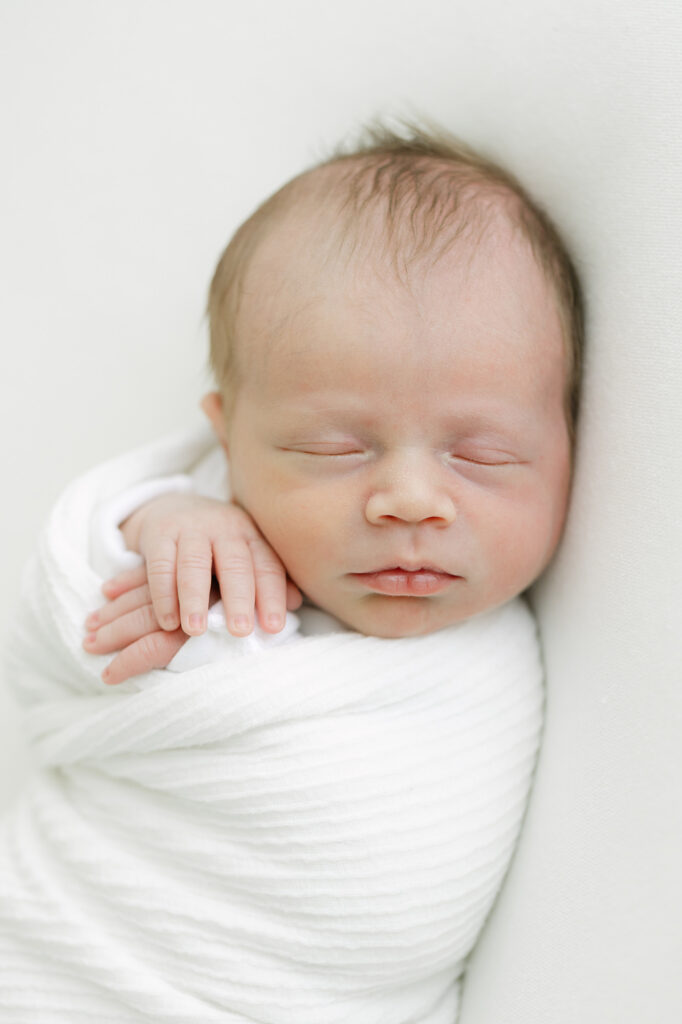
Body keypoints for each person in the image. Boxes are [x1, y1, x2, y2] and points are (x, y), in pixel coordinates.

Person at [81, 122, 582, 685]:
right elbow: (67, 602)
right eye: (333, 449)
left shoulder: (558, 653)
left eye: (482, 455)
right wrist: (160, 525)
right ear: (228, 441)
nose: (411, 502)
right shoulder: (202, 533)